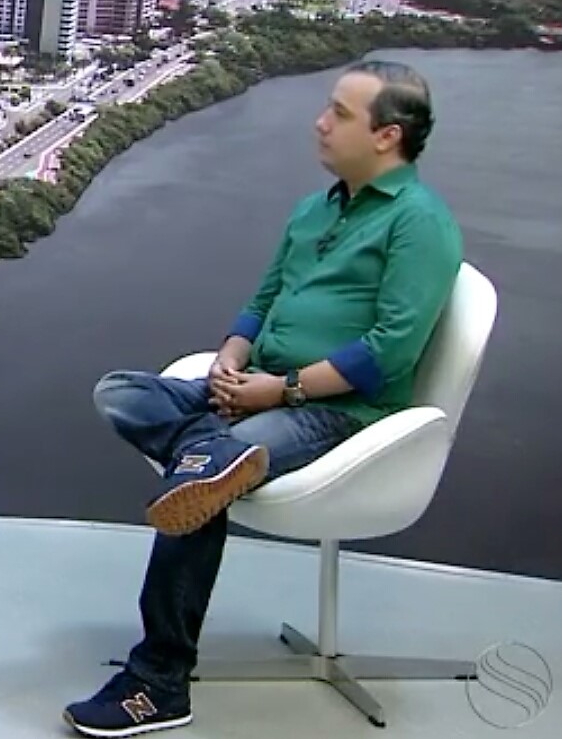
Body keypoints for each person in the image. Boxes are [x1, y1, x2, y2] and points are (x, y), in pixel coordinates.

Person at [62, 60, 463, 736]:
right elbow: (264, 299)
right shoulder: (316, 208)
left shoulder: (419, 224)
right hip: (255, 388)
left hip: (336, 413)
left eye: (339, 113)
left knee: (201, 491)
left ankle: (159, 681)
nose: (321, 122)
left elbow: (389, 350)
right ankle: (208, 457)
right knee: (122, 393)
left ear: (387, 135)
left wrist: (281, 390)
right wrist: (230, 360)